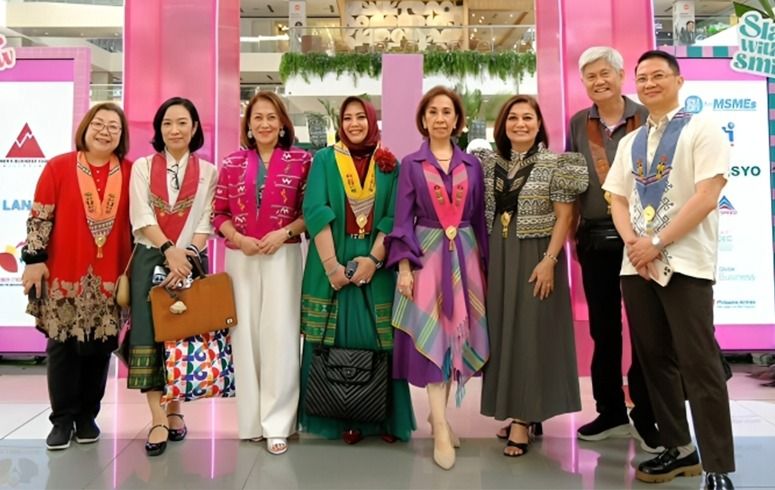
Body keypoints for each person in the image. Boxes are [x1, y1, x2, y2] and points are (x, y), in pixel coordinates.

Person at [603, 50, 734, 490]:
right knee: (653, 360)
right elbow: (617, 199)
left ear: (679, 81)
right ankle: (680, 449)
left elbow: (707, 196)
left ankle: (718, 465)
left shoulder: (703, 129)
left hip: (686, 262)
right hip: (637, 266)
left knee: (700, 363)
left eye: (658, 75)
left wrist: (656, 243)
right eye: (642, 78)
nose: (649, 83)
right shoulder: (630, 142)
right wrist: (635, 246)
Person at [474, 95, 587, 457]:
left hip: (537, 254)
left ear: (539, 125)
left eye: (527, 118)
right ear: (502, 125)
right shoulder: (489, 163)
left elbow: (565, 216)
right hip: (500, 254)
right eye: (513, 118)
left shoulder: (557, 164)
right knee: (504, 334)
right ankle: (520, 410)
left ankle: (523, 419)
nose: (520, 124)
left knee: (530, 334)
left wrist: (550, 260)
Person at [299, 96, 415, 445]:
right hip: (331, 257)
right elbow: (315, 210)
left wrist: (374, 260)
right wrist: (332, 266)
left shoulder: (389, 164)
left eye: (360, 117)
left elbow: (393, 217)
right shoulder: (324, 159)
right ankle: (337, 419)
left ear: (371, 121)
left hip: (374, 261)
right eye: (347, 118)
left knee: (379, 339)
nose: (354, 124)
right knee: (329, 338)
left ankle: (382, 419)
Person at [386, 85, 488, 470]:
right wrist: (404, 268)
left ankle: (438, 416)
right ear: (424, 120)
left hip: (465, 255)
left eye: (447, 112)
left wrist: (484, 266)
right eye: (433, 112)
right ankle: (441, 427)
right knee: (435, 336)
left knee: (454, 340)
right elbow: (401, 221)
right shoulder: (411, 164)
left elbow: (478, 217)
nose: (440, 118)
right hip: (427, 257)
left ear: (457, 119)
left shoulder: (472, 165)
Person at [21, 103, 132, 451]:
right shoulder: (58, 167)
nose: (105, 131)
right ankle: (61, 419)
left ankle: (87, 416)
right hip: (63, 273)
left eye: (113, 126)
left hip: (111, 276)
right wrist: (34, 259)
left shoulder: (131, 172)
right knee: (63, 347)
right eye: (98, 123)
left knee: (100, 347)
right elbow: (40, 217)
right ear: (85, 127)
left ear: (122, 136)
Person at [567, 46, 661, 452]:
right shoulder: (578, 123)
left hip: (642, 240)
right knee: (603, 329)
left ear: (621, 75)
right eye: (590, 76)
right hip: (595, 238)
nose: (599, 81)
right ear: (583, 83)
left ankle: (646, 412)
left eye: (605, 73)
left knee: (646, 328)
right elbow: (572, 182)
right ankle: (609, 411)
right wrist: (572, 235)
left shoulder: (647, 115)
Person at [212, 92, 310, 455]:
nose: (265, 124)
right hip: (241, 258)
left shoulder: (302, 161)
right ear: (249, 126)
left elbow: (310, 212)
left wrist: (284, 233)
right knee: (245, 337)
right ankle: (251, 422)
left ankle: (279, 423)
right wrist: (238, 238)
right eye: (258, 118)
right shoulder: (232, 162)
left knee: (280, 335)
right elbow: (219, 213)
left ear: (283, 123)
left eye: (272, 117)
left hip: (283, 255)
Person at [127, 97, 218, 457]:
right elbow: (140, 214)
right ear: (158, 129)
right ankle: (157, 417)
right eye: (167, 123)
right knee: (149, 335)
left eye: (182, 123)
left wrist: (187, 256)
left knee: (182, 336)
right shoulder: (142, 167)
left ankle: (175, 409)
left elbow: (206, 219)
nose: (174, 130)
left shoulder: (208, 171)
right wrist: (169, 250)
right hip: (151, 257)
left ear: (194, 128)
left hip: (191, 261)